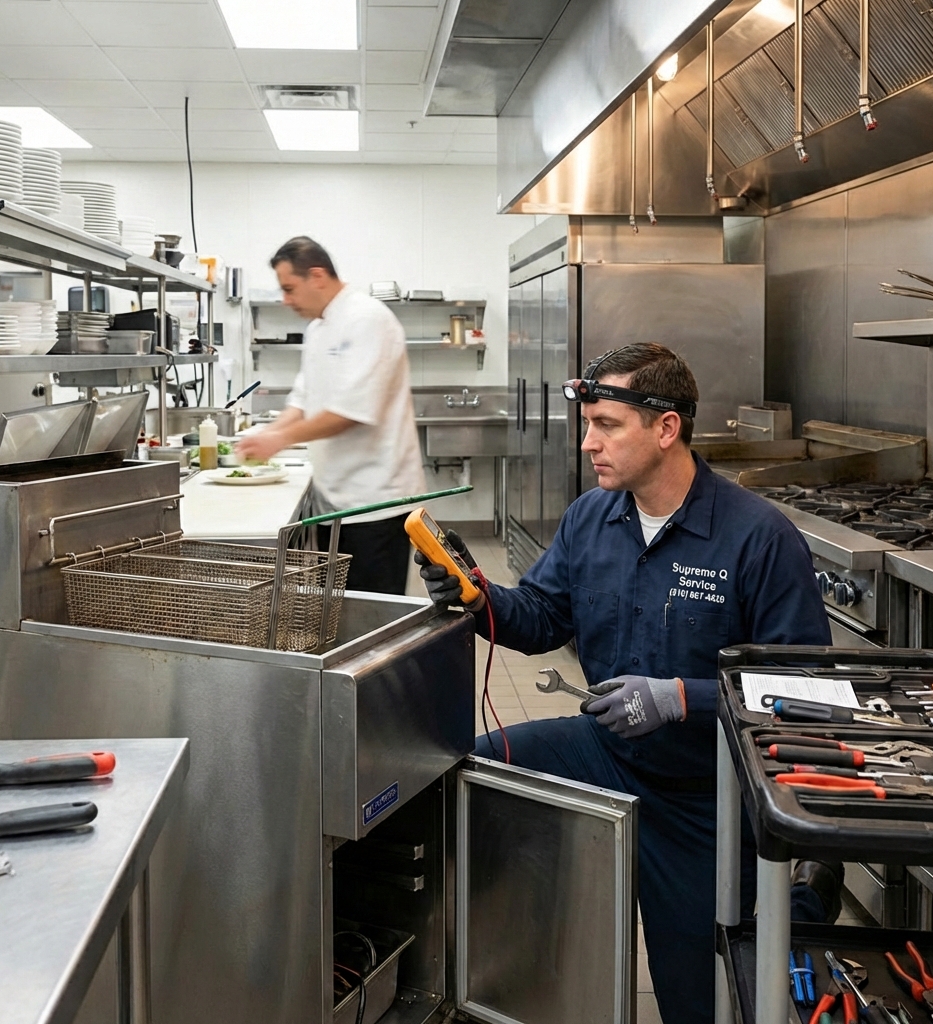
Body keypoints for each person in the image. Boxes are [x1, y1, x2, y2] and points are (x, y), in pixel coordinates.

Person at [417, 343, 839, 1024]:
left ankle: (800, 898)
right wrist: (474, 596)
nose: (589, 444)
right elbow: (543, 616)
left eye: (607, 425)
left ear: (666, 428)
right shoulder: (593, 517)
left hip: (706, 794)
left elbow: (801, 691)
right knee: (469, 771)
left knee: (693, 998)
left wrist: (679, 699)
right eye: (587, 424)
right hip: (604, 751)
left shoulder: (757, 538)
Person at [237, 236, 427, 594]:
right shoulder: (317, 330)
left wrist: (279, 439)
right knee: (339, 609)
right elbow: (303, 399)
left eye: (290, 289)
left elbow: (353, 411)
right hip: (334, 502)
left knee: (373, 618)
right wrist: (265, 435)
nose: (286, 299)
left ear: (318, 275)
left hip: (375, 504)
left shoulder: (368, 319)